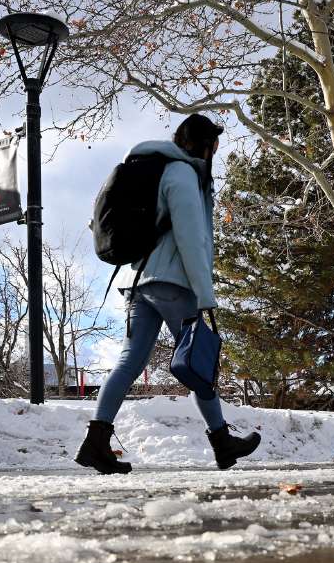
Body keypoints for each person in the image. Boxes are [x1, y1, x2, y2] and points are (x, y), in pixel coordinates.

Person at [75, 113, 260, 474]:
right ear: (205, 145)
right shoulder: (182, 174)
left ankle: (95, 442)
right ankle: (222, 443)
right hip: (174, 284)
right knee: (199, 364)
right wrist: (205, 294)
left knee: (129, 363)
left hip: (140, 282)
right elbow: (192, 239)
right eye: (214, 145)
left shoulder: (155, 168)